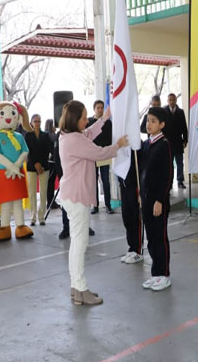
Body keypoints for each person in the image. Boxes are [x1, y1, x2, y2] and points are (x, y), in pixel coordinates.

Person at [59, 101, 128, 306]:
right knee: (80, 245)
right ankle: (80, 289)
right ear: (73, 119)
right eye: (82, 117)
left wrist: (104, 117)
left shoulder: (70, 136)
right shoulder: (73, 140)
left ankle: (76, 287)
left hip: (72, 194)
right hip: (76, 196)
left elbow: (89, 133)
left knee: (77, 244)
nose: (86, 120)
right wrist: (118, 146)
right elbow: (99, 153)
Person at [140, 106, 174, 292]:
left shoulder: (164, 145)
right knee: (151, 238)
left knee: (160, 237)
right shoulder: (147, 144)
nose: (149, 124)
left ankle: (164, 274)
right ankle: (155, 273)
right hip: (145, 199)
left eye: (153, 121)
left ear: (162, 124)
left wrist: (160, 199)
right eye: (147, 121)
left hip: (157, 201)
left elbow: (168, 175)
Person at [25, 113, 52, 225]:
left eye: (39, 121)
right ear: (31, 122)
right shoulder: (28, 135)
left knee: (43, 192)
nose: (37, 123)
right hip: (31, 166)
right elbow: (27, 151)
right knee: (32, 192)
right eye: (35, 121)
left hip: (44, 165)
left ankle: (41, 216)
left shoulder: (45, 135)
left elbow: (48, 150)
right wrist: (35, 163)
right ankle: (32, 217)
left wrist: (40, 164)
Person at [88, 101, 114, 215]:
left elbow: (110, 139)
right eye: (98, 108)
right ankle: (95, 205)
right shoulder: (89, 122)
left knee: (105, 181)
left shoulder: (108, 123)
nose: (100, 110)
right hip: (92, 155)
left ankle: (108, 205)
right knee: (93, 181)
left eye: (102, 108)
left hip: (103, 155)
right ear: (94, 109)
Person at [118, 154, 143, 264]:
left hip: (134, 186)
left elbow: (141, 170)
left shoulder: (137, 147)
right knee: (127, 217)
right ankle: (131, 248)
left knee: (134, 217)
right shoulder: (121, 147)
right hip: (124, 186)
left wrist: (141, 192)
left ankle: (137, 251)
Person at [164, 93, 188, 189]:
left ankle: (180, 181)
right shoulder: (164, 111)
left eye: (173, 100)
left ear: (176, 100)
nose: (172, 101)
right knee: (169, 164)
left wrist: (185, 139)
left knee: (179, 163)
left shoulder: (180, 112)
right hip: (167, 142)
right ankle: (169, 183)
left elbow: (184, 127)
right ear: (167, 101)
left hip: (178, 141)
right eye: (170, 100)